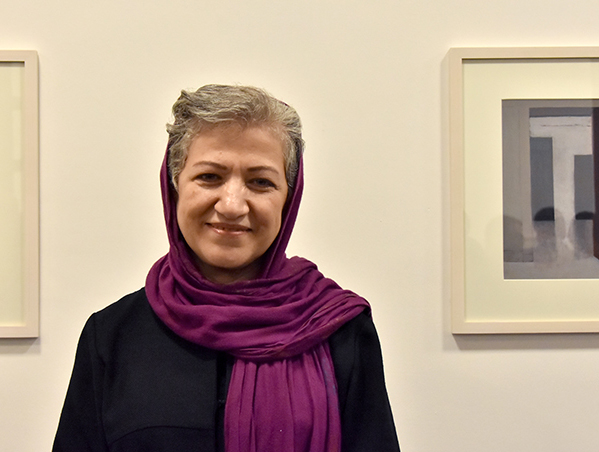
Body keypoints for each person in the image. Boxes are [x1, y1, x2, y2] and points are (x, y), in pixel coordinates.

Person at [53, 85, 400, 452]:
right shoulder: (110, 336)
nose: (232, 205)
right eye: (210, 177)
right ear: (174, 186)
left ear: (289, 198)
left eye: (260, 182)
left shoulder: (339, 330)